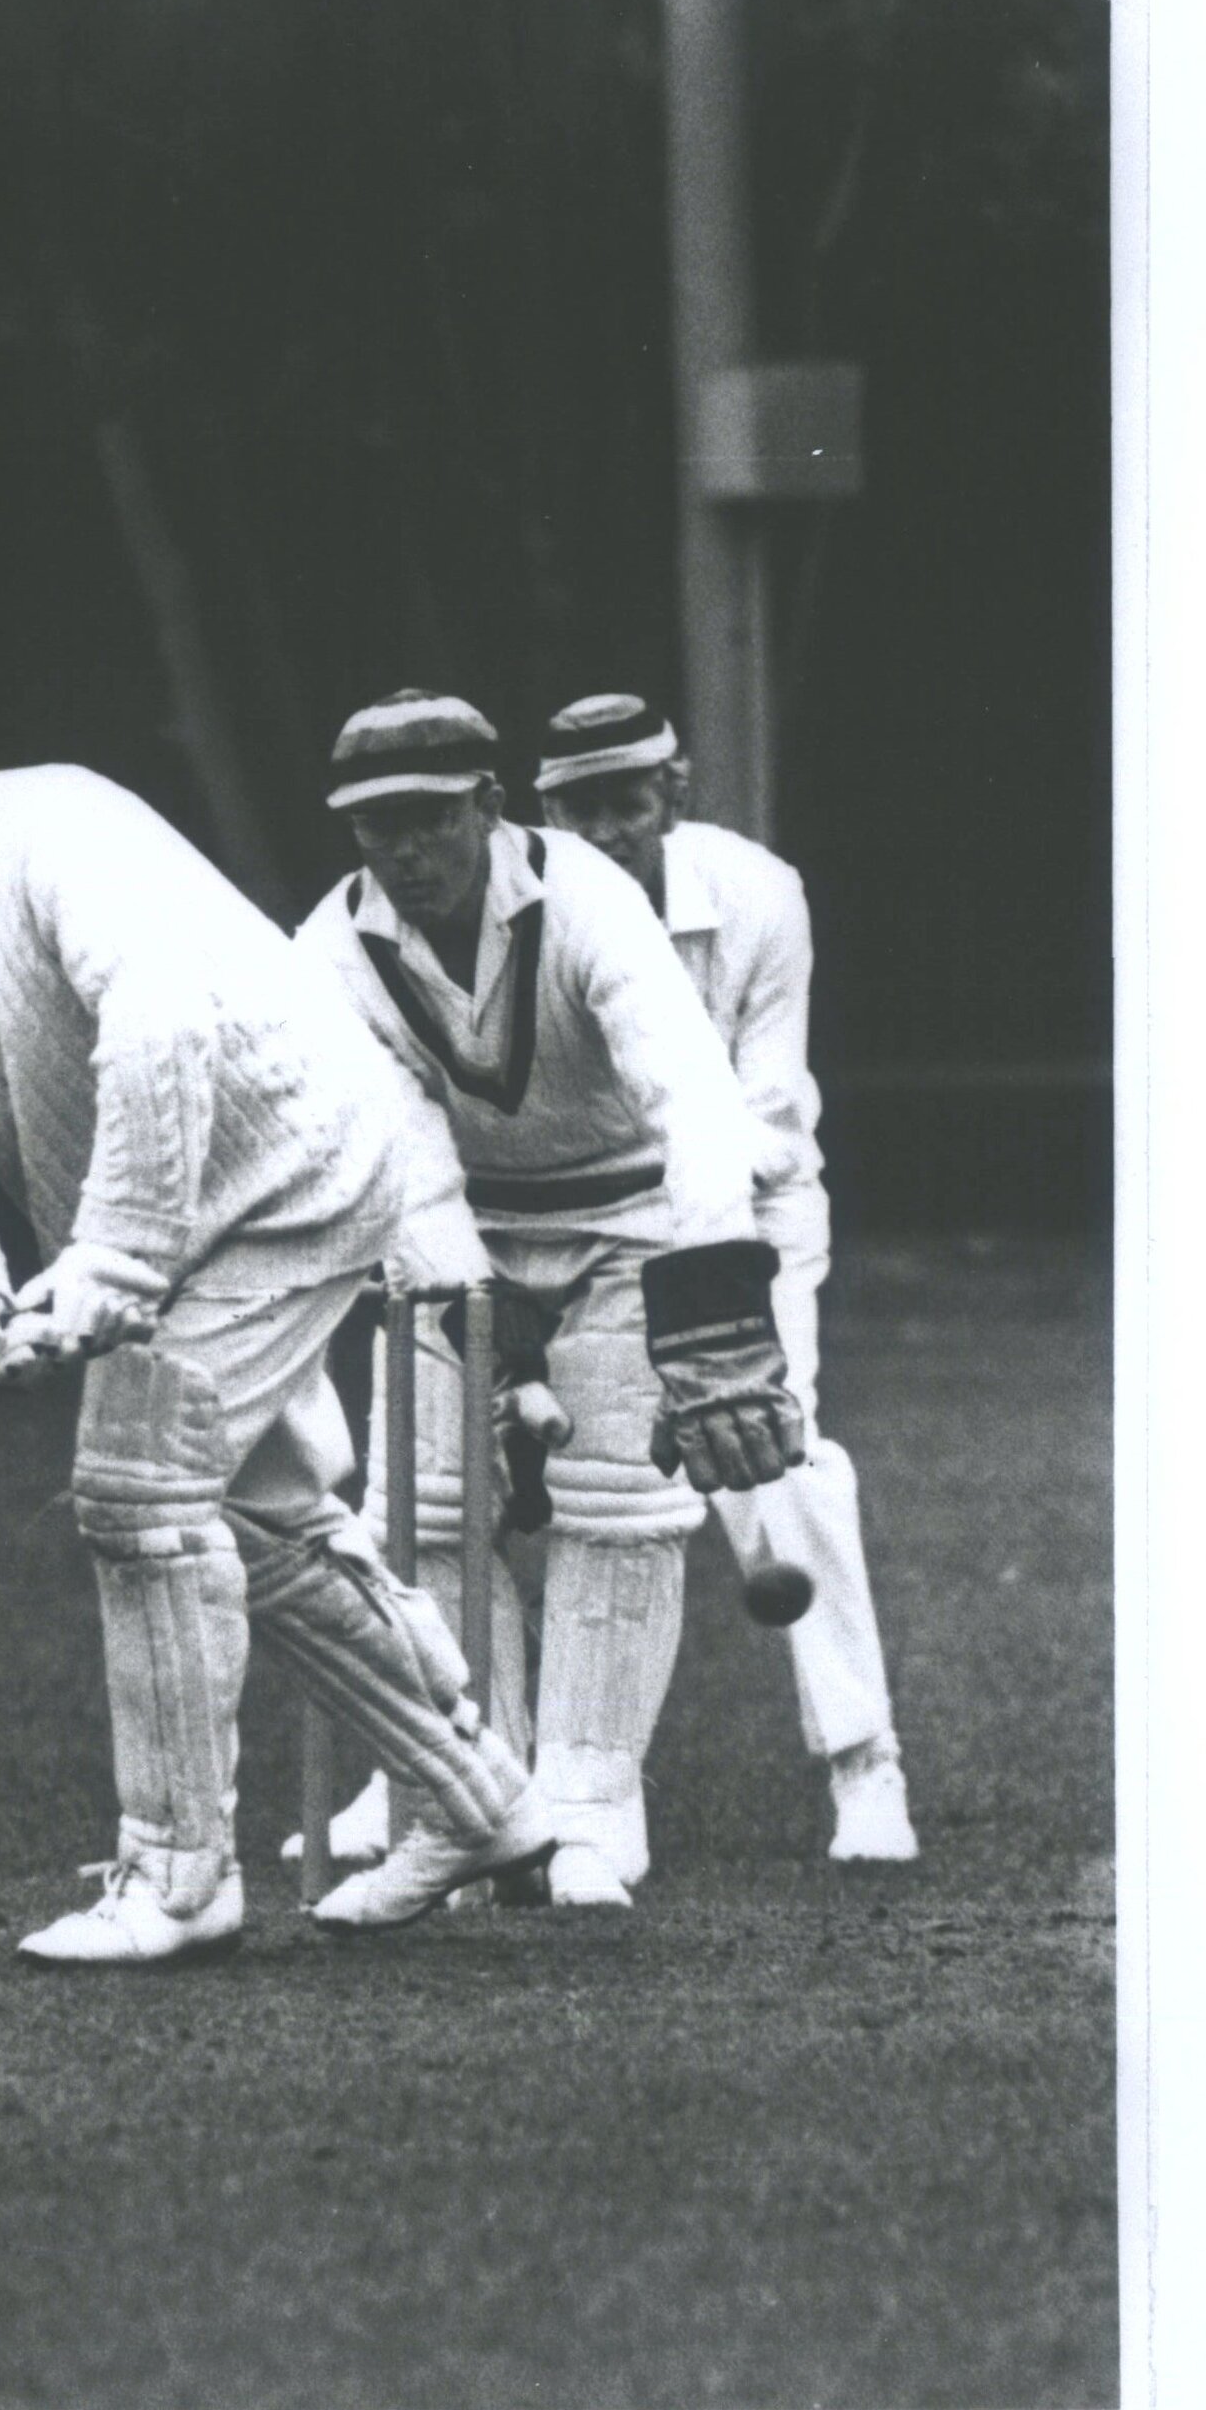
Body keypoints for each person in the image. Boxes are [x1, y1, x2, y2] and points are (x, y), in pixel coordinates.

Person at [0, 681, 553, 1964]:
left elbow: (158, 1034)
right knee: (253, 1521)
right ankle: (483, 1802)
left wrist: (116, 1257)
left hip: (300, 1165)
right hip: (159, 1224)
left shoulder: (59, 828)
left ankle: (179, 1879)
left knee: (133, 1492)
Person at [295, 690, 809, 1909]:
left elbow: (688, 1092)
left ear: (486, 804)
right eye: (376, 828)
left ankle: (587, 1804)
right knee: (419, 1509)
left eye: (426, 818)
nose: (403, 851)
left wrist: (717, 1292)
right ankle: (485, 1797)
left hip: (634, 1217)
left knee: (618, 1507)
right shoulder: (326, 949)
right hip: (454, 1219)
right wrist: (468, 1286)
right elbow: (391, 1141)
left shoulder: (585, 897)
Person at [532, 692, 917, 1862]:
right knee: (521, 1476)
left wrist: (691, 1230)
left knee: (779, 1456)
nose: (602, 828)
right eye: (578, 806)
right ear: (545, 809)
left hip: (748, 1208)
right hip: (576, 1224)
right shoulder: (521, 909)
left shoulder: (757, 893)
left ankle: (865, 1765)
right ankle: (483, 1782)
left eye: (625, 803)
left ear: (674, 795)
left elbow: (763, 1106)